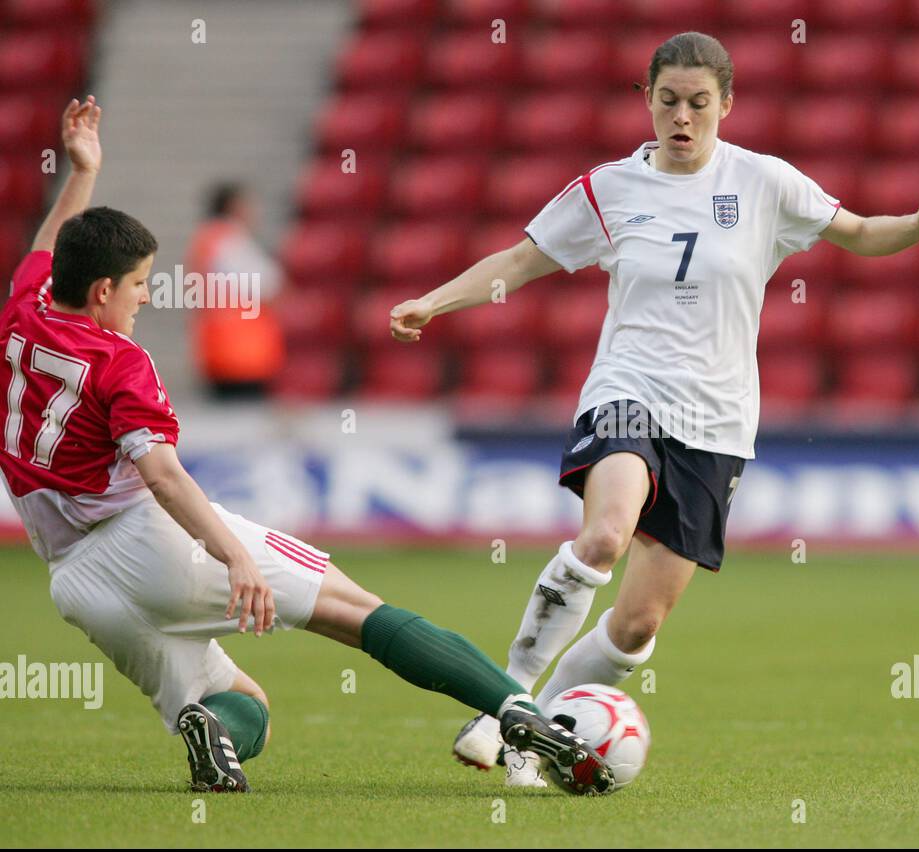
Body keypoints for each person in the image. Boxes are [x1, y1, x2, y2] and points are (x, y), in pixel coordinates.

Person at [389, 32, 919, 787]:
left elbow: (856, 233)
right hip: (629, 392)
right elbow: (522, 259)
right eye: (668, 101)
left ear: (727, 103)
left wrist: (918, 226)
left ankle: (534, 731)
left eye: (698, 103)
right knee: (604, 535)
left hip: (718, 423)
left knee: (636, 627)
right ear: (646, 101)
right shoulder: (609, 188)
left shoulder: (764, 183)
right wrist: (435, 301)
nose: (682, 118)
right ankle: (503, 702)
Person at [0, 97, 612, 795]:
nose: (144, 298)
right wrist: (234, 559)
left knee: (242, 705)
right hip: (146, 539)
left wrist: (83, 172)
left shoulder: (26, 309)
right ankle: (520, 713)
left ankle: (212, 735)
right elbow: (164, 477)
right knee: (357, 611)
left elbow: (49, 242)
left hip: (74, 583)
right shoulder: (121, 362)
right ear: (104, 288)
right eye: (139, 285)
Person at [186, 181, 285, 400]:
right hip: (243, 353)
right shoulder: (229, 241)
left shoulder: (205, 241)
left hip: (219, 350)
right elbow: (268, 286)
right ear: (234, 207)